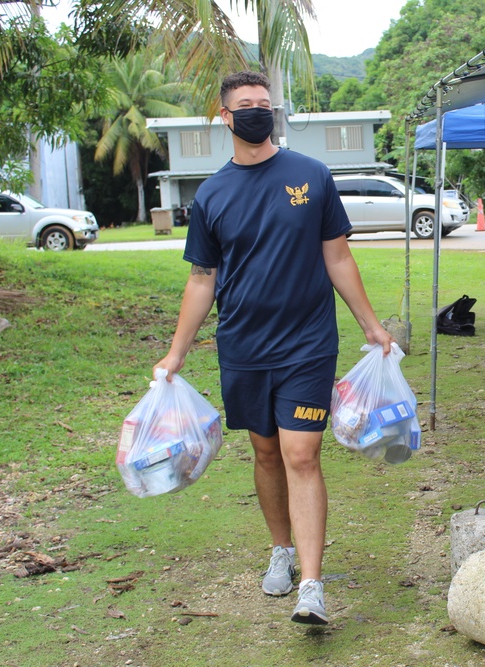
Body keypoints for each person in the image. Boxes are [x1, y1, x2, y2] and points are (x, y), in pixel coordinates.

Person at [154, 71, 393, 626]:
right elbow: (202, 280)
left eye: (266, 104)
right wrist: (176, 353)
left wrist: (372, 325)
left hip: (308, 344)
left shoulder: (310, 176)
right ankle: (280, 550)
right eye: (247, 105)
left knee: (301, 455)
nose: (259, 112)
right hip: (242, 345)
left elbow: (338, 257)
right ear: (226, 117)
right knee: (265, 453)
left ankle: (312, 585)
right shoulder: (211, 193)